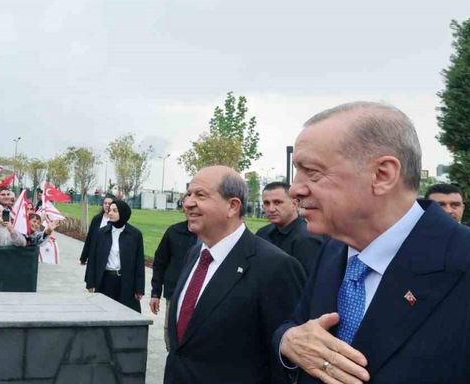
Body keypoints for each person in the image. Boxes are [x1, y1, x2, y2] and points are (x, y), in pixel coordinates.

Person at [275, 102, 470, 384]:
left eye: (312, 172)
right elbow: (298, 326)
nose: (295, 189)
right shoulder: (333, 250)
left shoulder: (460, 259)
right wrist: (288, 340)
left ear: (382, 175)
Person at [165, 166, 304, 384]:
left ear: (232, 206)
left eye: (200, 195)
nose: (188, 203)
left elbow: (283, 360)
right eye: (188, 194)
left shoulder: (276, 266)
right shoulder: (195, 254)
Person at [149, 210, 198, 350]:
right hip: (174, 293)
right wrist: (155, 293)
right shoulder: (173, 232)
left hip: (199, 295)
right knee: (170, 332)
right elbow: (160, 263)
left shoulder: (210, 235)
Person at [85, 199, 145, 312]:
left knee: (126, 314)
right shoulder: (101, 233)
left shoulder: (135, 235)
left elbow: (139, 263)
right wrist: (90, 281)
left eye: (115, 211)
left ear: (123, 213)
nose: (110, 213)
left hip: (126, 282)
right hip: (106, 281)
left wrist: (139, 288)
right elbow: (93, 258)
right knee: (105, 313)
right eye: (110, 210)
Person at [255, 181, 323, 276]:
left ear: (294, 204)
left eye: (277, 202)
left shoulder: (307, 239)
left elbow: (308, 281)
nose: (271, 209)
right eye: (266, 203)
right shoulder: (262, 233)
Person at [79, 196, 113, 265]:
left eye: (109, 204)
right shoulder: (97, 219)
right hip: (95, 253)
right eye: (105, 203)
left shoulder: (115, 221)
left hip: (109, 256)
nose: (107, 205)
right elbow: (89, 238)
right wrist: (84, 257)